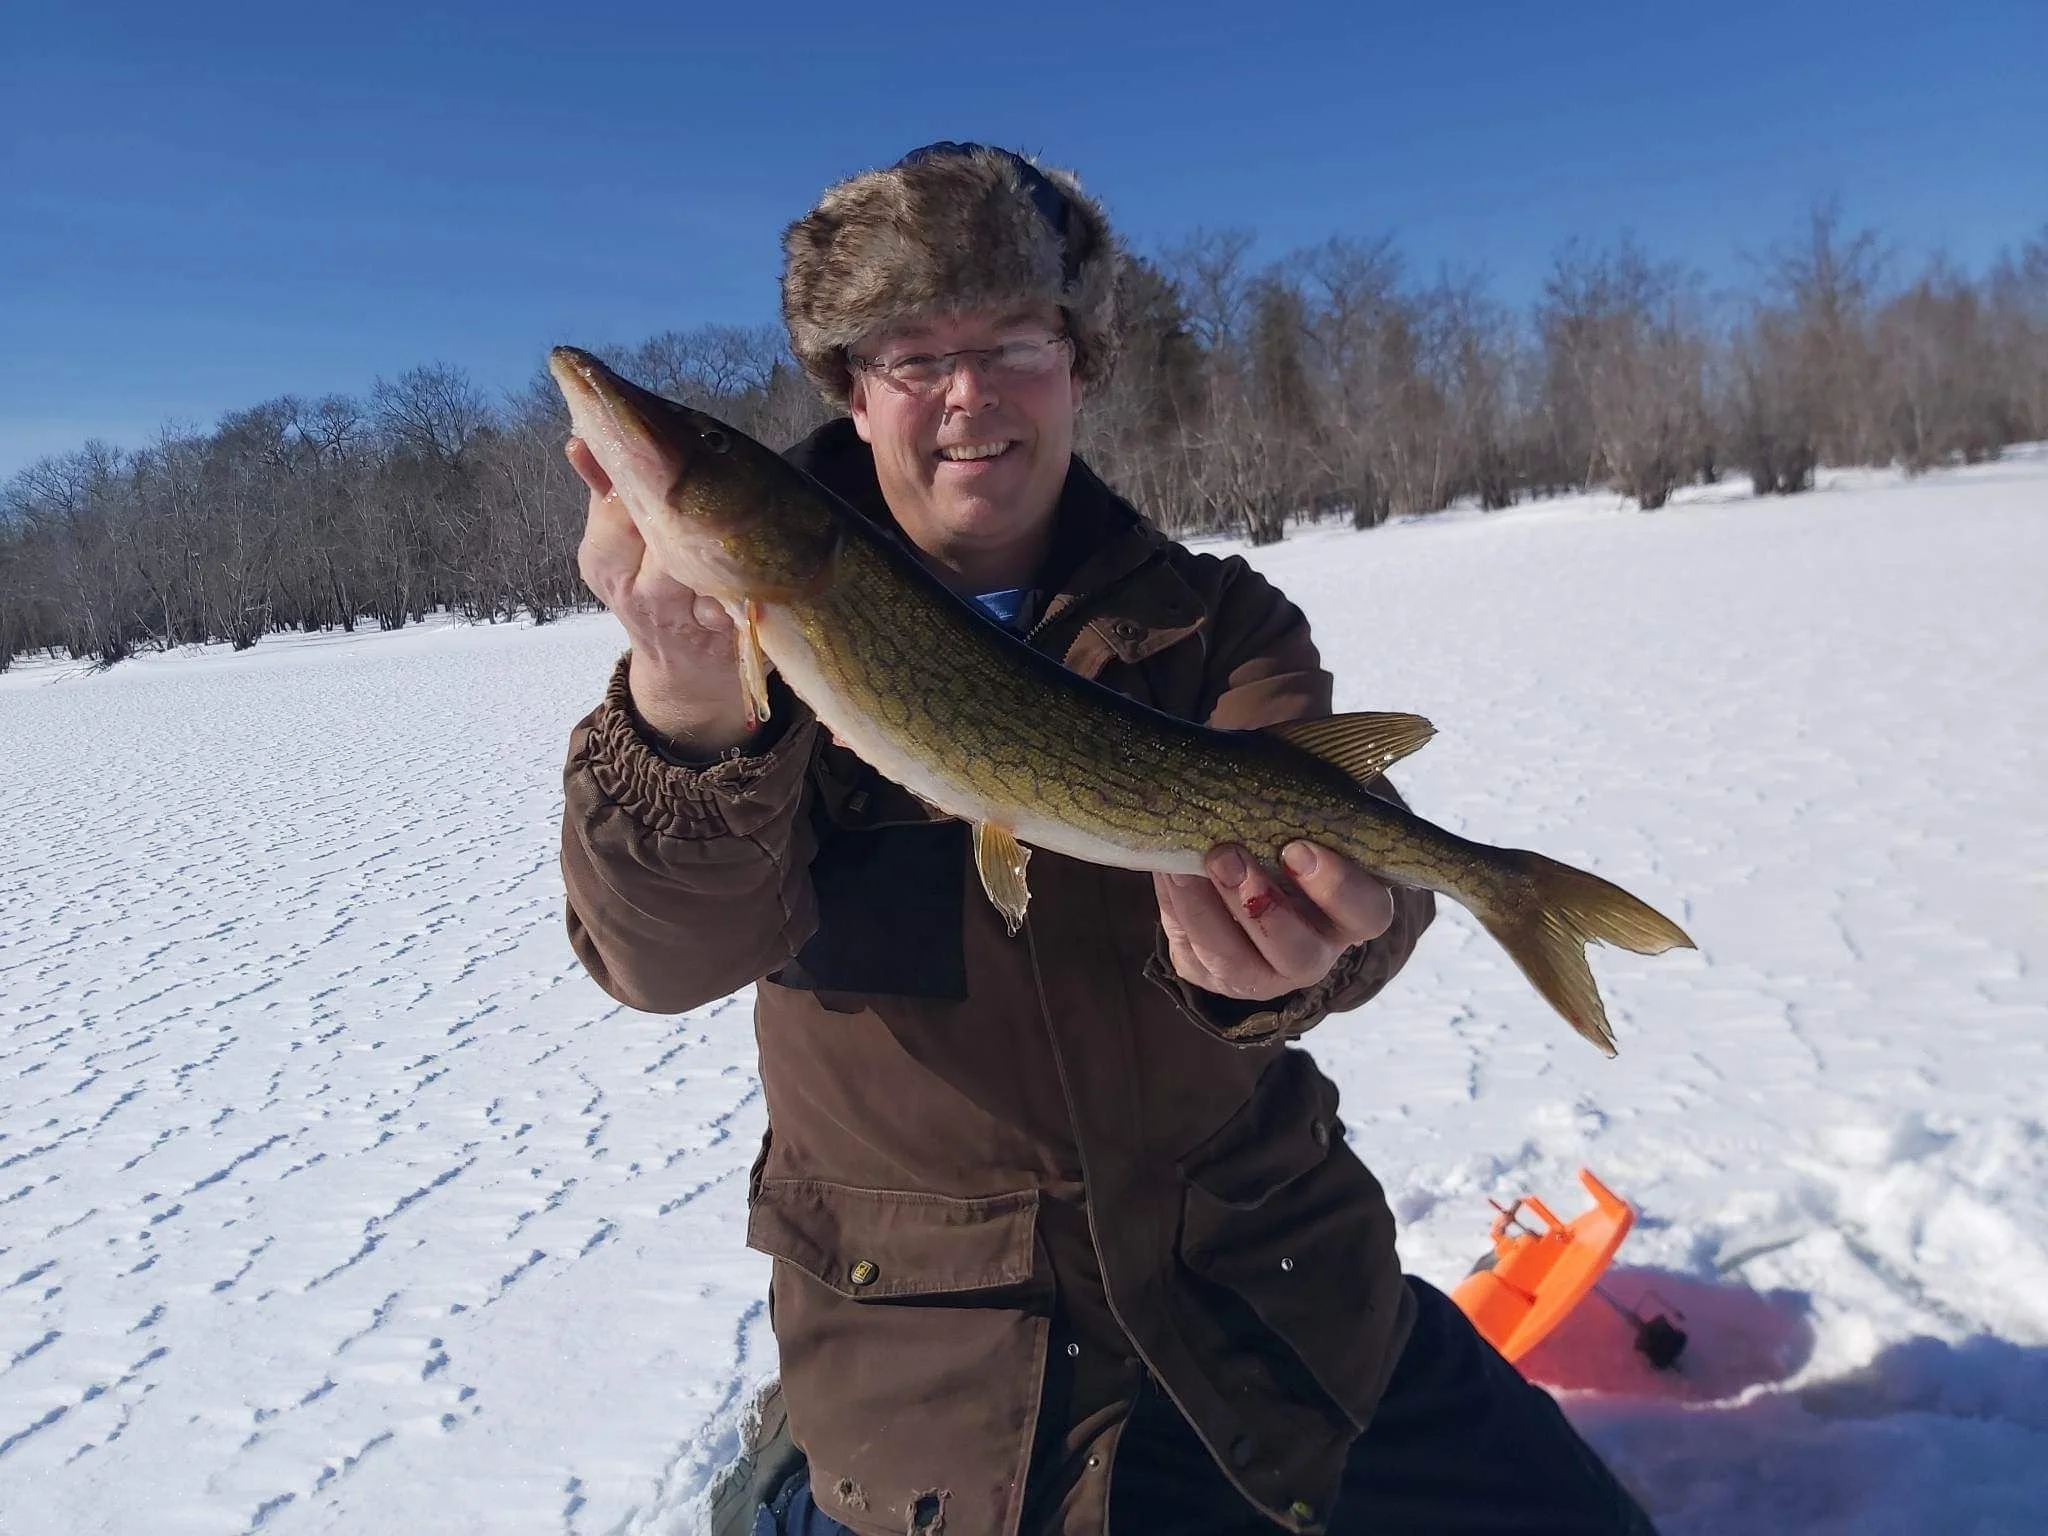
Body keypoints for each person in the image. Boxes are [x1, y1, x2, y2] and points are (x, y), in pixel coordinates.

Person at [559, 143, 1656, 1536]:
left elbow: (1359, 861)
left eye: (1013, 338)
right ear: (849, 385)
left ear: (1078, 361)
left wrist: (1306, 956)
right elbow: (660, 959)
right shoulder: (743, 644)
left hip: (1270, 1283)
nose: (968, 393)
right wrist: (682, 708)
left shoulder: (1216, 625)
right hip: (940, 1364)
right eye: (911, 351)